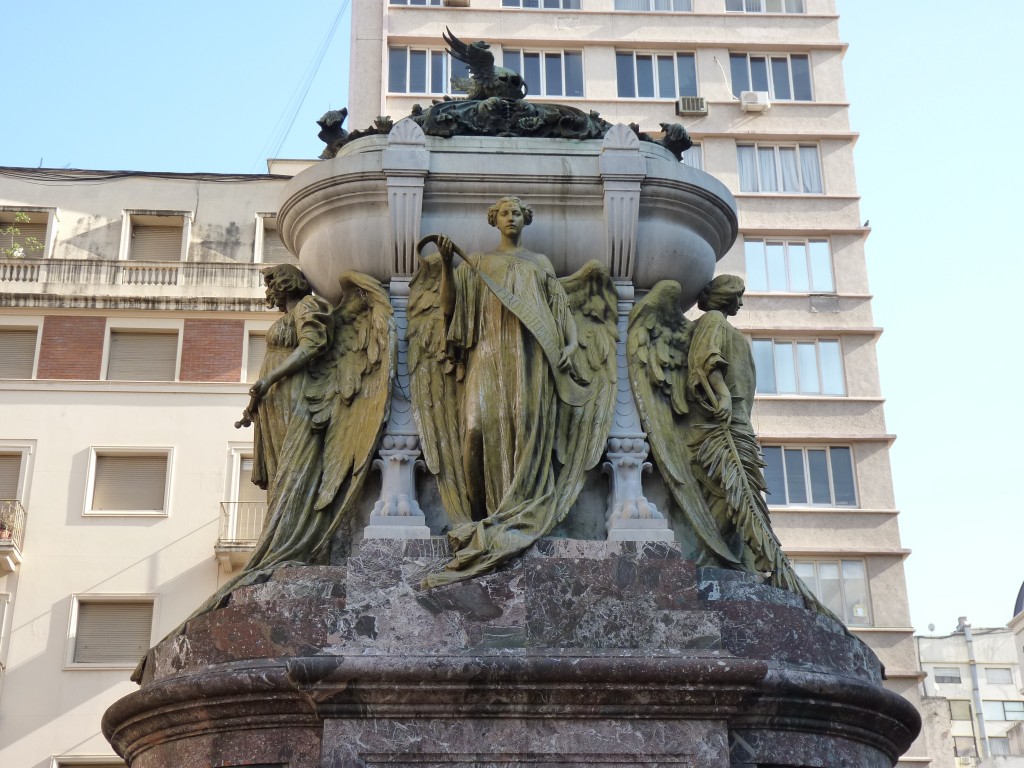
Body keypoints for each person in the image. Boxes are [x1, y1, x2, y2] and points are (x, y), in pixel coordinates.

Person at [414, 197, 614, 588]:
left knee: (526, 426)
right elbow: (453, 313)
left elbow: (560, 312)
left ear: (525, 220)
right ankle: (481, 517)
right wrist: (448, 269)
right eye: (504, 213)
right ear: (494, 220)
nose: (510, 218)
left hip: (531, 359)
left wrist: (571, 345)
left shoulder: (540, 263)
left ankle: (515, 511)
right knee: (473, 428)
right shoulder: (480, 263)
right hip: (488, 353)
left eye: (517, 213)